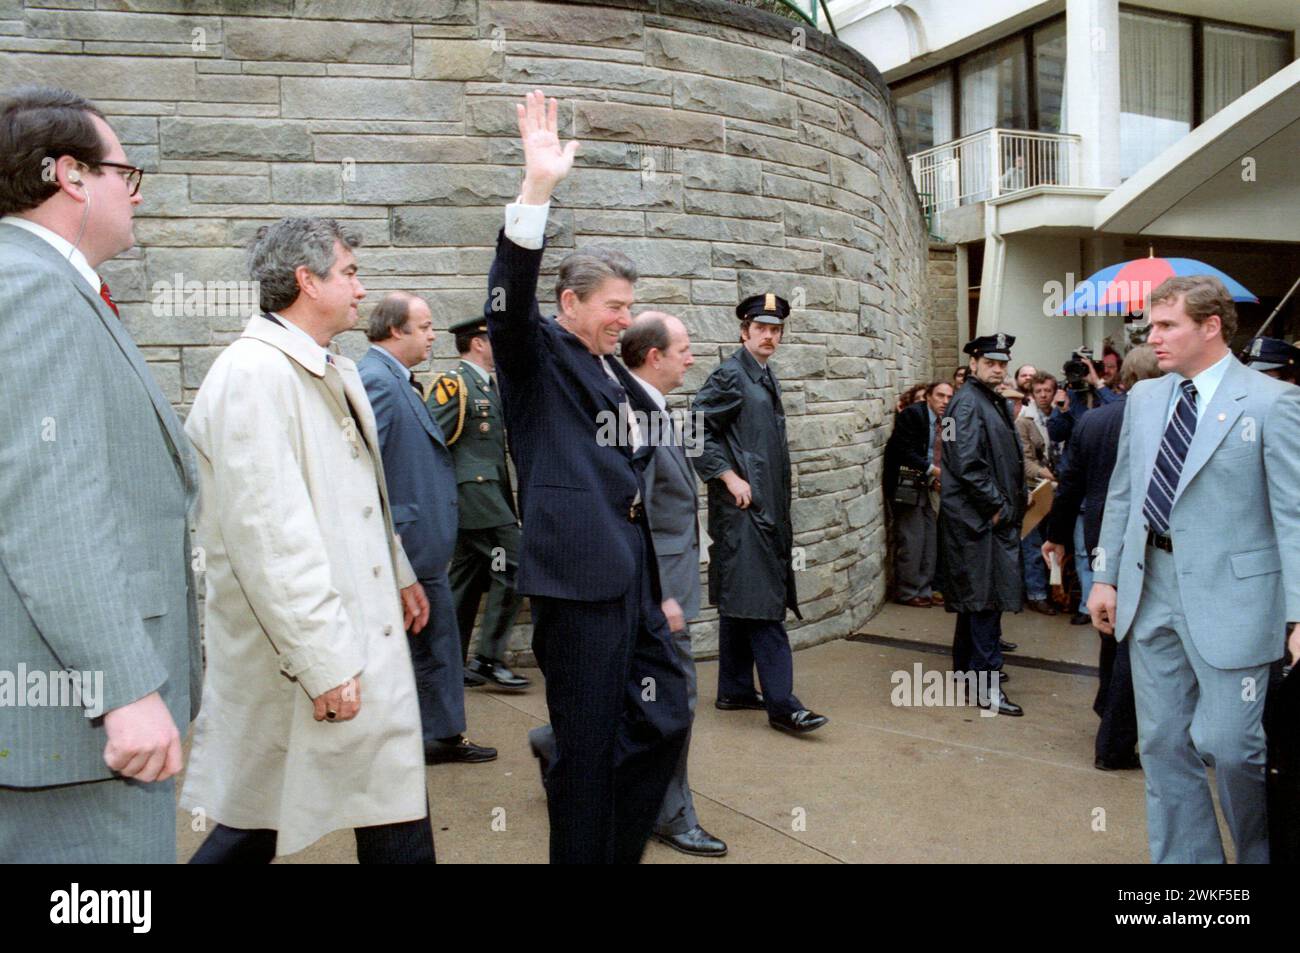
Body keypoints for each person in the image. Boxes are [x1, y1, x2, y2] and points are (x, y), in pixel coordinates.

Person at [182, 218, 436, 863]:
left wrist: (398, 570)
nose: (360, 288)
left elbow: (358, 494)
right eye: (349, 272)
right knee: (259, 817)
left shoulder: (329, 369)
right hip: (309, 649)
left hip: (353, 629)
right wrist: (322, 661)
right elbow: (267, 534)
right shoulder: (254, 376)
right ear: (306, 280)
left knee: (380, 804)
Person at [0, 87, 200, 863]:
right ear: (71, 176)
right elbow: (50, 505)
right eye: (126, 171)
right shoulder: (31, 288)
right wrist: (120, 687)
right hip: (72, 734)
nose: (137, 191)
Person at [490, 90, 689, 864]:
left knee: (663, 717)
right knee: (587, 748)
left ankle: (610, 844)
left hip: (631, 586)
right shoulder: (536, 356)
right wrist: (536, 189)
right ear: (569, 302)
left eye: (631, 307)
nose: (624, 320)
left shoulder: (609, 372)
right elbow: (505, 305)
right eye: (613, 306)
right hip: (577, 591)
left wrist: (657, 588)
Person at [1088, 275, 1300, 864]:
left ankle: (1260, 855)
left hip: (1235, 601)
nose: (1151, 337)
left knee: (1231, 747)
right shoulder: (1146, 398)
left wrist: (1299, 613)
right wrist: (1105, 576)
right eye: (1151, 326)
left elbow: (1295, 514)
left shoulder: (1271, 401)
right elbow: (1123, 496)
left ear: (1210, 327)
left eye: (1165, 326)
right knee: (1160, 743)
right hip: (1148, 588)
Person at [529, 312, 728, 858]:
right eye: (683, 349)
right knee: (672, 701)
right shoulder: (627, 412)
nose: (692, 359)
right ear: (653, 356)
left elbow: (673, 502)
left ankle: (557, 745)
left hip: (668, 580)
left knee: (643, 698)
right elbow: (628, 512)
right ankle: (672, 814)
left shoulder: (657, 410)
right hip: (649, 589)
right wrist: (656, 593)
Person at [360, 293, 497, 764]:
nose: (434, 335)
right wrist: (391, 543)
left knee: (437, 641)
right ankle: (425, 737)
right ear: (396, 330)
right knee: (424, 644)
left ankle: (440, 732)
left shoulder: (399, 380)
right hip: (405, 545)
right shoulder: (376, 380)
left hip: (422, 544)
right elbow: (363, 469)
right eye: (424, 326)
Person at [693, 293, 829, 735]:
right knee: (764, 605)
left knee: (742, 599)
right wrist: (729, 477)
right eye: (761, 328)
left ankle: (733, 688)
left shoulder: (761, 376)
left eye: (776, 329)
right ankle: (783, 706)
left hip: (763, 511)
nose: (769, 336)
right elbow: (696, 431)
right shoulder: (732, 375)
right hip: (744, 512)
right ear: (744, 331)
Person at [1042, 345, 1162, 771]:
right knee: (1134, 636)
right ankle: (1116, 731)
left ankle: (1106, 702)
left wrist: (1056, 535)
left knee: (1110, 625)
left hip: (1100, 540)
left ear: (1123, 379)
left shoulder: (1094, 419)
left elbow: (1069, 482)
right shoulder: (1154, 419)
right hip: (1139, 543)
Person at [428, 316, 530, 691]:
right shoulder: (455, 384)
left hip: (485, 500)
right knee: (514, 563)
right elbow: (431, 440)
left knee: (465, 580)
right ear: (477, 343)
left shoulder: (487, 386)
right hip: (474, 498)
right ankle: (487, 658)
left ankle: (446, 664)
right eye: (494, 340)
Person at [937, 333, 1026, 716]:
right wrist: (998, 508)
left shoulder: (983, 399)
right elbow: (966, 464)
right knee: (986, 600)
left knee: (976, 601)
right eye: (991, 362)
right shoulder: (968, 403)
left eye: (1003, 363)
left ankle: (967, 671)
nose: (999, 369)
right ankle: (985, 683)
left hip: (981, 519)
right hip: (978, 522)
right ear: (973, 363)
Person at [885, 381, 953, 607]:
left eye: (949, 397)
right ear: (929, 397)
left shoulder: (950, 420)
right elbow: (903, 450)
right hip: (908, 481)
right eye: (940, 396)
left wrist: (947, 475)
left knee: (930, 538)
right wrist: (933, 470)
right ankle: (907, 591)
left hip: (933, 484)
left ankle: (925, 589)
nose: (944, 402)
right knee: (912, 538)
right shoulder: (913, 415)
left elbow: (952, 450)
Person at [1015, 372, 1058, 616]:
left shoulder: (1061, 416)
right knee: (1031, 545)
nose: (1043, 396)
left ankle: (1055, 592)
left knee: (1053, 543)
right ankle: (1036, 594)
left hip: (1058, 490)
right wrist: (1048, 474)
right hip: (1035, 489)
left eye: (1047, 391)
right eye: (1038, 391)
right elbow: (1024, 461)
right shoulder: (1024, 422)